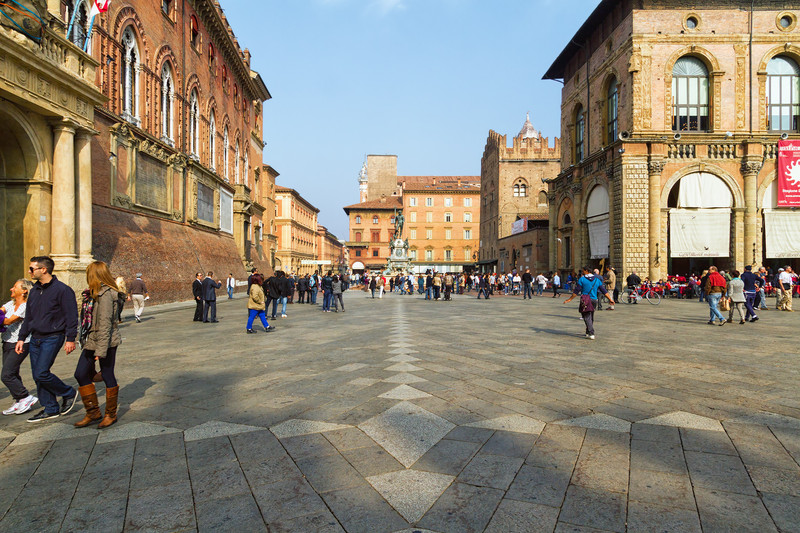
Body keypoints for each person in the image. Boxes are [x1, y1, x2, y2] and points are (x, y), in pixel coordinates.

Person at [16, 256, 78, 422]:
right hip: (35, 337)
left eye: (32, 269)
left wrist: (70, 338)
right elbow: (29, 317)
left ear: (43, 269)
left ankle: (69, 392)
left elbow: (71, 316)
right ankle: (50, 408)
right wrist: (22, 337)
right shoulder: (35, 290)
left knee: (42, 373)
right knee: (37, 375)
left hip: (53, 337)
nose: (29, 271)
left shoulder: (62, 290)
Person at [73, 261, 122, 429]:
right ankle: (93, 412)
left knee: (108, 374)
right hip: (91, 340)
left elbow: (106, 323)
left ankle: (110, 414)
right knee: (80, 373)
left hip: (106, 341)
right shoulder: (92, 293)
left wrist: (100, 351)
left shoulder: (106, 294)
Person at [2, 279, 37, 416]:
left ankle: (25, 396)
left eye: (14, 287)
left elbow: (8, 320)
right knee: (13, 373)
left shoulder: (25, 307)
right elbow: (1, 311)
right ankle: (19, 401)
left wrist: (1, 319)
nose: (11, 289)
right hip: (7, 342)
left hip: (20, 343)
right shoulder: (11, 304)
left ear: (24, 291)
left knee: (6, 374)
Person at [563, 266, 614, 340]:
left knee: (586, 316)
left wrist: (570, 299)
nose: (582, 272)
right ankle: (587, 331)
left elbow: (576, 291)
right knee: (591, 316)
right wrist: (610, 299)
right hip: (594, 300)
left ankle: (591, 333)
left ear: (586, 271)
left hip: (585, 300)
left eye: (583, 270)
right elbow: (603, 290)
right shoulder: (597, 280)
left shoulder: (582, 279)